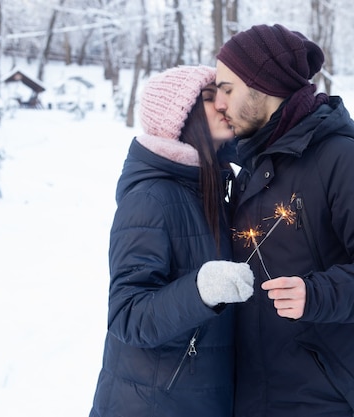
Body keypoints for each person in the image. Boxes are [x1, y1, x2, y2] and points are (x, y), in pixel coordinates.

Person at [214, 24, 354, 417]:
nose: (219, 101)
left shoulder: (344, 160)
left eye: (227, 88)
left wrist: (317, 295)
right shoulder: (253, 164)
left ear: (263, 86)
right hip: (256, 396)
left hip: (326, 399)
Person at [89, 65, 255, 417]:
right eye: (211, 98)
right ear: (182, 119)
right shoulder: (151, 199)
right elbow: (127, 316)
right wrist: (200, 290)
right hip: (151, 404)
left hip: (198, 400)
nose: (225, 104)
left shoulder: (210, 188)